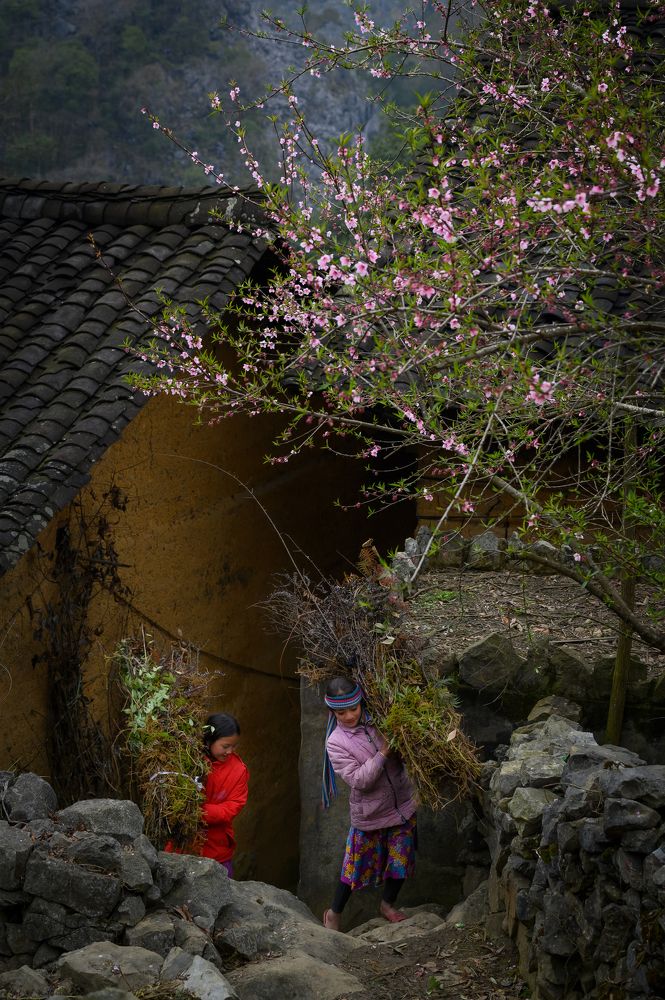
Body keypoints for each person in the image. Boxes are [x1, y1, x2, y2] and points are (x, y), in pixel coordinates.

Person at [321, 676, 417, 931]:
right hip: (370, 813)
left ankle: (387, 905)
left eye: (353, 708)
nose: (350, 716)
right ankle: (333, 913)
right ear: (332, 711)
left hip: (402, 805)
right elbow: (359, 780)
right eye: (341, 712)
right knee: (354, 868)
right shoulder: (336, 743)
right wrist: (384, 752)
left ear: (361, 702)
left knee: (401, 861)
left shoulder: (381, 720)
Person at [166, 712, 249, 877]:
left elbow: (234, 805)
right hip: (183, 844)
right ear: (209, 741)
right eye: (225, 746)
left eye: (234, 746)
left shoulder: (239, 770)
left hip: (218, 848)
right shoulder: (189, 760)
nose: (230, 752)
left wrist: (196, 812)